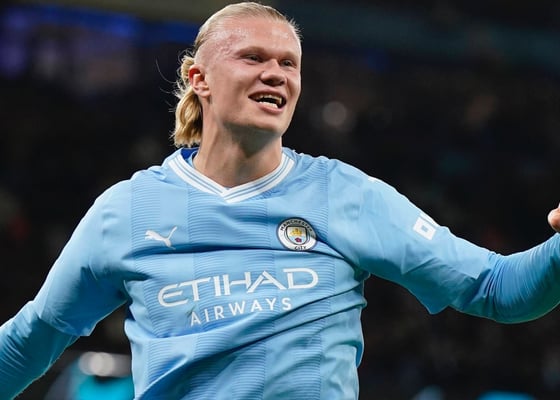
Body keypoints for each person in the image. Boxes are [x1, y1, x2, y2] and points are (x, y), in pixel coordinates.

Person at [1, 2, 560, 399]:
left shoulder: (344, 193)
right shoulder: (127, 210)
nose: (275, 73)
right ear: (199, 78)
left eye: (288, 63)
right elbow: (30, 342)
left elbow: (496, 288)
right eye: (252, 58)